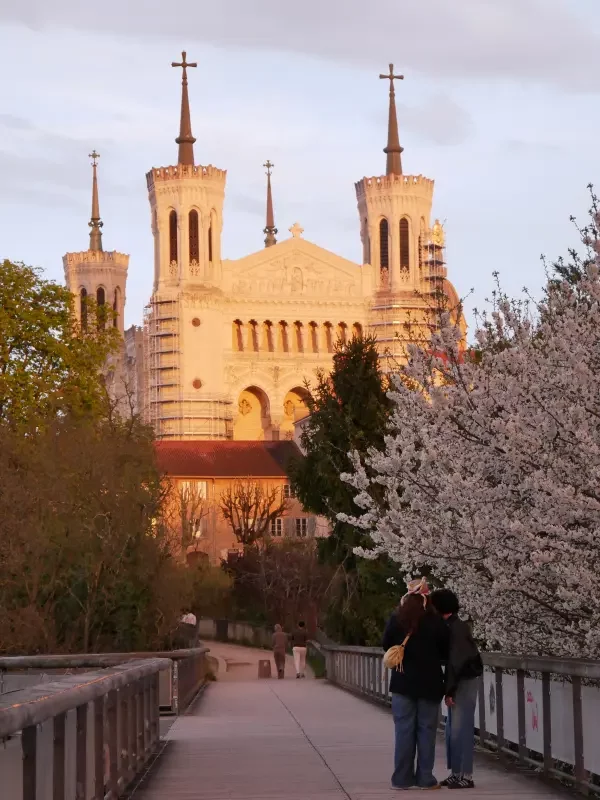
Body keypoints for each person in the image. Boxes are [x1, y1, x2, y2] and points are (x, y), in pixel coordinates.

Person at [382, 577, 450, 791]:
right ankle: (425, 778)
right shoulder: (436, 621)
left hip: (403, 682)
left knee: (404, 730)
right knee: (426, 731)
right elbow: (445, 650)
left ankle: (401, 779)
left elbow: (386, 644)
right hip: (430, 683)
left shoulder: (397, 618)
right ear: (426, 598)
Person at [430, 589, 483, 790]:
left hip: (465, 680)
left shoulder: (457, 628)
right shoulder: (451, 626)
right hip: (459, 679)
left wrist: (450, 690)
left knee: (462, 729)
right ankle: (456, 772)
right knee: (453, 729)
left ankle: (466, 775)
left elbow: (457, 662)